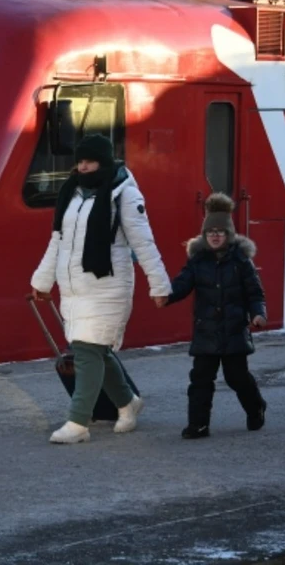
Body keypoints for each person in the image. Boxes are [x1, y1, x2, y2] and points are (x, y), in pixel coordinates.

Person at [30, 133, 171, 444]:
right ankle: (128, 403)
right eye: (79, 161)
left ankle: (77, 423)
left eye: (89, 161)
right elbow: (59, 241)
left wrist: (159, 285)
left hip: (108, 286)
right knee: (96, 350)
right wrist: (42, 281)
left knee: (87, 350)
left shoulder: (125, 195)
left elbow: (143, 244)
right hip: (75, 286)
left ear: (103, 161)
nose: (82, 166)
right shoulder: (73, 192)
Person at [162, 192, 268, 439]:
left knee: (237, 378)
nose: (215, 236)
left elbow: (255, 293)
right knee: (200, 380)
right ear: (205, 235)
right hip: (206, 331)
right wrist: (165, 295)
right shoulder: (197, 261)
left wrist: (258, 314)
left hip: (233, 331)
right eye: (211, 232)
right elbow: (182, 284)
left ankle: (256, 407)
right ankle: (198, 425)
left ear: (229, 235)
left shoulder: (241, 261)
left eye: (220, 232)